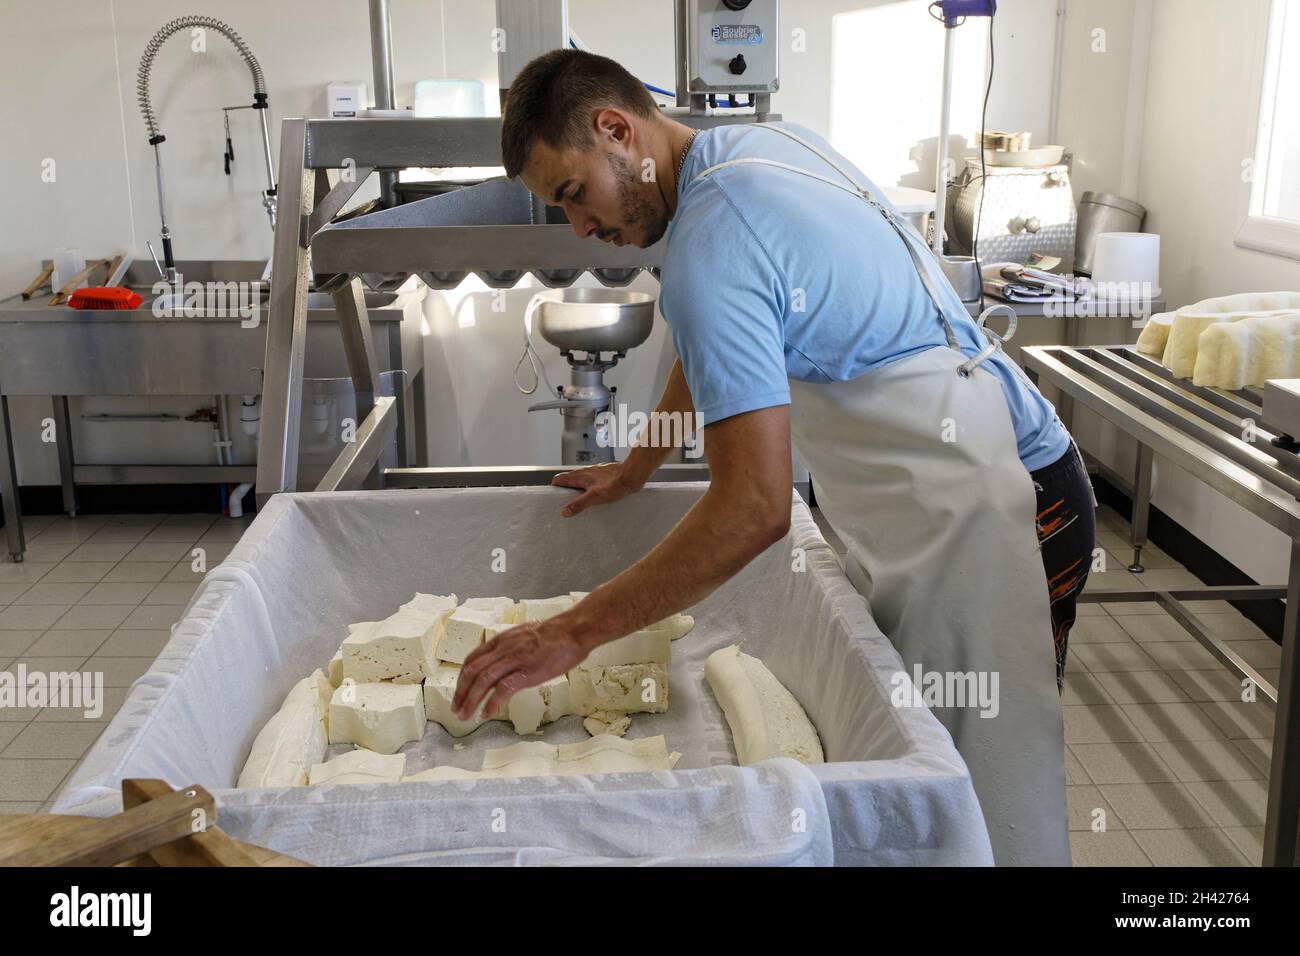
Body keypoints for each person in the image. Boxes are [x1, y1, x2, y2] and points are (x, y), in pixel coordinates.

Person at [453, 49, 1095, 865]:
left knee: (979, 784)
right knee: (935, 775)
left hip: (1002, 508)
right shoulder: (761, 149)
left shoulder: (711, 245)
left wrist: (574, 633)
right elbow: (723, 340)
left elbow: (751, 509)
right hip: (987, 477)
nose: (581, 228)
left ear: (616, 128)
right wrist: (640, 462)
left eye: (575, 194)